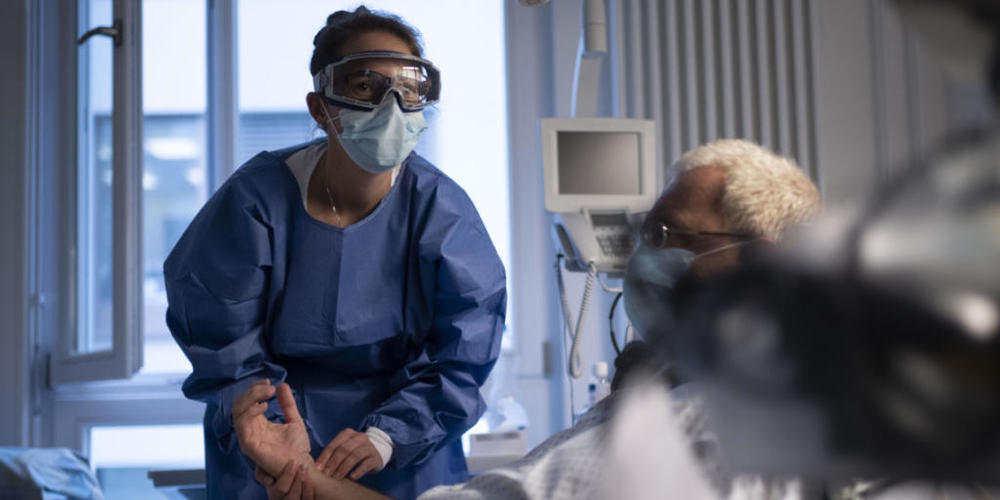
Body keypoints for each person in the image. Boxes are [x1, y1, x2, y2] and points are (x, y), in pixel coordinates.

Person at [233, 139, 821, 499]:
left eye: (666, 235)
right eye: (646, 231)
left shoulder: (692, 429)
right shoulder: (667, 392)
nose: (644, 254)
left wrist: (313, 472)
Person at [163, 6, 507, 499]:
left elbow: (465, 350)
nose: (391, 104)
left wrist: (390, 436)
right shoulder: (255, 202)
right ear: (321, 108)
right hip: (271, 437)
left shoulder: (440, 210)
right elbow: (225, 350)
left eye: (408, 87)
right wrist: (278, 439)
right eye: (364, 85)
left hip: (405, 445)